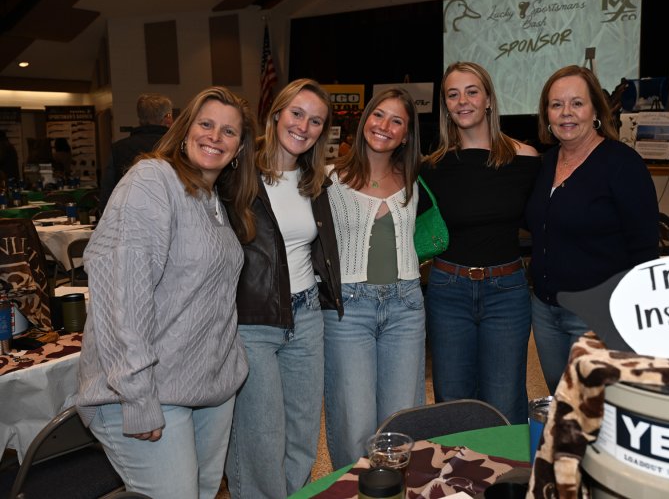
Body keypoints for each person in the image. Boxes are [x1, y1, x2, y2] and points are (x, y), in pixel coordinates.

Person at [75, 86, 258, 499]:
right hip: (148, 391)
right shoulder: (152, 180)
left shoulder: (214, 198)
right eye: (206, 124)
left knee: (204, 492)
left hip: (208, 390)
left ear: (241, 147)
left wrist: (231, 368)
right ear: (182, 127)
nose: (215, 136)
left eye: (229, 131)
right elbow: (120, 291)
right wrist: (137, 394)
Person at [224, 78, 343, 498]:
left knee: (302, 432)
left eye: (315, 121)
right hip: (253, 320)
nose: (303, 126)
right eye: (296, 113)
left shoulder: (316, 180)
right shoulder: (237, 171)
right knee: (261, 435)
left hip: (307, 316)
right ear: (275, 114)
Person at [525, 65, 660, 394]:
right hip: (545, 311)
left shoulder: (622, 164)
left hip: (598, 315)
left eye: (577, 103)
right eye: (556, 105)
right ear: (546, 114)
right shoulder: (544, 164)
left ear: (596, 110)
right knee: (563, 401)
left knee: (597, 408)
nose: (566, 113)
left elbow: (645, 249)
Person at [421, 61, 540, 425]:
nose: (463, 101)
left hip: (507, 291)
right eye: (452, 95)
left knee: (505, 401)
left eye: (472, 91)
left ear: (489, 99)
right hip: (447, 289)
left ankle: (507, 480)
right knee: (452, 401)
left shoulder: (526, 159)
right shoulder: (432, 167)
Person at [324, 87, 425, 470]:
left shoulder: (417, 179)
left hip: (406, 307)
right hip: (348, 311)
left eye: (396, 120)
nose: (384, 126)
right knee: (354, 419)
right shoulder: (329, 180)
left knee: (402, 418)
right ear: (365, 119)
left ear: (406, 134)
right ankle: (355, 490)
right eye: (378, 115)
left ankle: (396, 489)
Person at [99, 93, 173, 211]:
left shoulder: (118, 148)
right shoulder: (176, 147)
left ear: (140, 118)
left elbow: (107, 193)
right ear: (167, 118)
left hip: (129, 218)